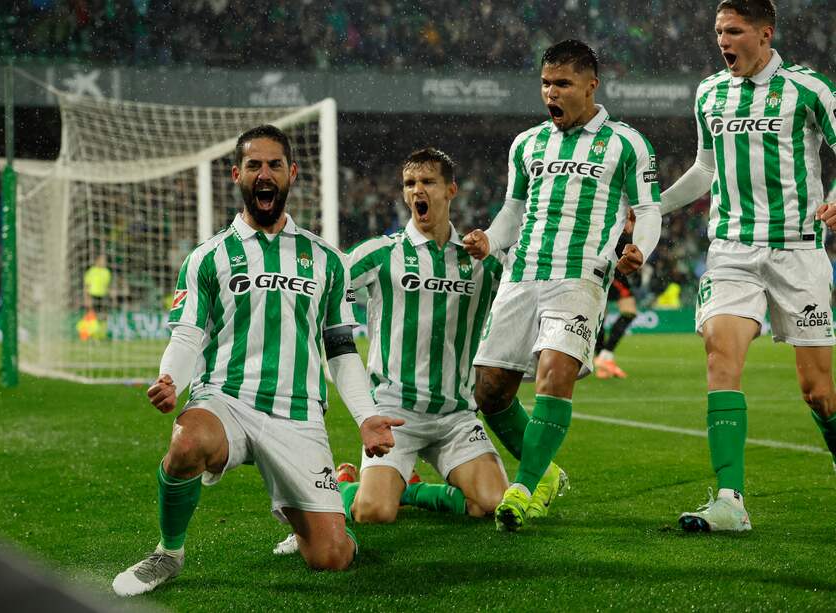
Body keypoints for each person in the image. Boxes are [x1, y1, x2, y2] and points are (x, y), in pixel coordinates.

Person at [112, 125, 403, 596]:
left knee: (333, 558)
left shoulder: (326, 259)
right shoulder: (209, 257)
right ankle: (168, 553)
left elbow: (341, 348)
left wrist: (367, 418)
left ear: (292, 173)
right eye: (253, 165)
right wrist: (171, 379)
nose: (263, 174)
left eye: (273, 165)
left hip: (299, 415)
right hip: (227, 399)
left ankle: (319, 506)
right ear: (236, 175)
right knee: (187, 443)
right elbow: (187, 335)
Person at [273, 148, 563, 557]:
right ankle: (345, 485)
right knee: (373, 512)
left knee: (492, 504)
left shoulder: (481, 261)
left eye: (427, 182)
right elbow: (326, 285)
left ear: (451, 190)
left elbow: (528, 287)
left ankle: (413, 490)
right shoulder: (382, 253)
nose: (417, 191)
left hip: (455, 416)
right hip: (396, 412)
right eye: (410, 184)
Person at [462, 39, 662, 532]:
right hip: (522, 272)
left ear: (591, 86)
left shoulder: (626, 143)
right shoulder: (527, 144)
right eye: (546, 83)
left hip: (580, 278)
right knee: (489, 391)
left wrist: (641, 249)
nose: (551, 92)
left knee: (555, 373)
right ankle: (545, 474)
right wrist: (490, 237)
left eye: (563, 84)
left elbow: (650, 209)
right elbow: (514, 210)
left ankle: (524, 489)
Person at [661, 0, 836, 532]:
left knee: (819, 391)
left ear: (765, 33)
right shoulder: (710, 92)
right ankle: (730, 501)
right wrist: (652, 206)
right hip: (732, 249)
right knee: (720, 355)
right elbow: (704, 169)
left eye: (734, 31)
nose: (723, 41)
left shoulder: (809, 88)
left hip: (796, 251)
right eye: (718, 31)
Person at [593, 223, 638, 380]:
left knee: (600, 315)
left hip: (601, 268)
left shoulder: (608, 221)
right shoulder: (619, 226)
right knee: (629, 312)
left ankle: (602, 362)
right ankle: (605, 355)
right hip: (614, 272)